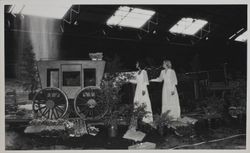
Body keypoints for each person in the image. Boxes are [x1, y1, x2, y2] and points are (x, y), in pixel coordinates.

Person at [129, 61, 153, 125]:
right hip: (138, 89)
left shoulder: (144, 72)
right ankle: (137, 117)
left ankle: (146, 118)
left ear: (140, 64)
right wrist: (128, 79)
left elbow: (145, 81)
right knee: (137, 101)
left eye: (137, 63)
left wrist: (143, 90)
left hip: (143, 88)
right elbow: (135, 81)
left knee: (144, 101)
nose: (136, 64)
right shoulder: (137, 72)